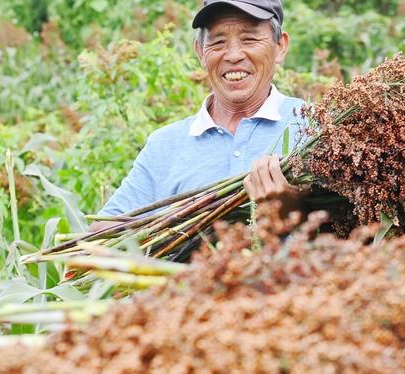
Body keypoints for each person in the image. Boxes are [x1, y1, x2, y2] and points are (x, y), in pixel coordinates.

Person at [93, 0, 306, 231]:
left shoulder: (316, 126)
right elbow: (101, 235)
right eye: (218, 42)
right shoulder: (165, 146)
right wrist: (171, 226)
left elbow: (349, 233)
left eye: (249, 39)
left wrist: (294, 214)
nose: (233, 55)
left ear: (280, 46)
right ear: (200, 52)